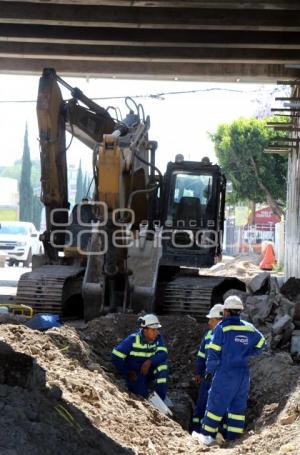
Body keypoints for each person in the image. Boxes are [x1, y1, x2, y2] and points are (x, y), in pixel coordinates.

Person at [199, 295, 266, 446]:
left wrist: (209, 371)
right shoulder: (249, 327)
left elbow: (214, 352)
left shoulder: (222, 328)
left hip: (225, 374)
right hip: (242, 375)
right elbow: (262, 342)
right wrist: (248, 353)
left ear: (226, 311)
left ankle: (206, 439)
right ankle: (234, 441)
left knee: (215, 407)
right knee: (237, 410)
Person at [111, 314, 168, 400]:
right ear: (145, 329)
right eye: (153, 330)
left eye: (156, 329)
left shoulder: (158, 338)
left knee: (163, 367)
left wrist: (150, 361)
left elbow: (163, 353)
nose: (156, 332)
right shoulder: (132, 339)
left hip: (150, 370)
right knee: (142, 395)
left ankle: (160, 400)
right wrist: (127, 372)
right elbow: (116, 356)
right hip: (137, 373)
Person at [191, 303, 224, 433]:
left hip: (221, 379)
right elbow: (201, 356)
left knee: (218, 408)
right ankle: (195, 431)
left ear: (220, 321)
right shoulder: (208, 335)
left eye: (212, 319)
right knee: (201, 405)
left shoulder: (228, 336)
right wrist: (198, 372)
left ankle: (218, 434)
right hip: (207, 377)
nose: (209, 322)